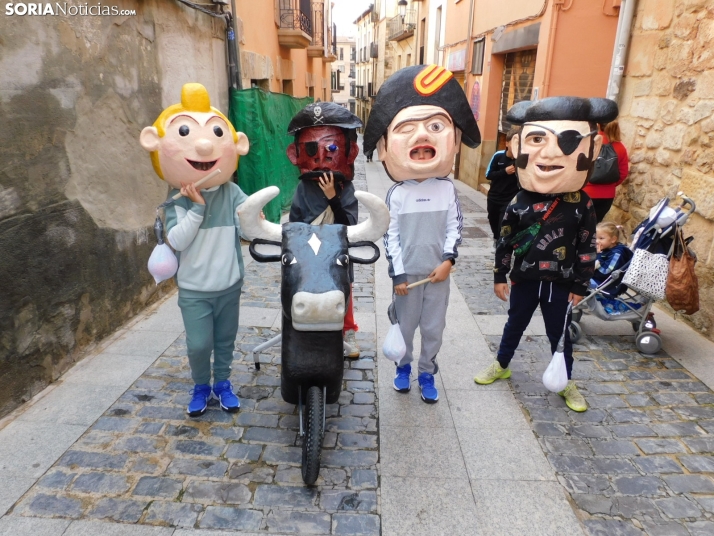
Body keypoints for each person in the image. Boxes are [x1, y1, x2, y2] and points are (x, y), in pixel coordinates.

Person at [473, 96, 619, 413]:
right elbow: (505, 240)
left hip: (561, 284)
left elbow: (586, 245)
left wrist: (580, 287)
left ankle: (565, 381)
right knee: (515, 324)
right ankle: (501, 364)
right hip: (525, 279)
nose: (551, 153)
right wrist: (500, 275)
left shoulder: (581, 203)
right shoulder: (519, 200)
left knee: (559, 334)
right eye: (538, 140)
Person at [363, 64, 481, 403]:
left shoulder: (446, 190)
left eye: (435, 126)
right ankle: (403, 367)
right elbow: (391, 236)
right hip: (406, 278)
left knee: (432, 328)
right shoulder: (397, 194)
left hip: (437, 276)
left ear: (454, 140)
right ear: (385, 147)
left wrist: (448, 260)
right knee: (405, 325)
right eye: (407, 128)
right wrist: (397, 274)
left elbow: (454, 228)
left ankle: (427, 372)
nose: (423, 136)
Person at [140, 83, 250, 417]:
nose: (203, 144)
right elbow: (178, 241)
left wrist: (256, 215)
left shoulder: (231, 191)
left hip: (229, 286)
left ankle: (223, 384)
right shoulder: (176, 198)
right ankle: (201, 386)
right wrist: (197, 207)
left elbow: (248, 227)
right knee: (199, 343)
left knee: (225, 341)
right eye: (186, 133)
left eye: (215, 134)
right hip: (194, 290)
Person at [286, 102, 363, 357]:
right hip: (308, 255)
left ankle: (347, 329)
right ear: (295, 153)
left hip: (336, 253)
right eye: (311, 148)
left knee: (342, 288)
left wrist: (333, 197)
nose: (320, 156)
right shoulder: (303, 189)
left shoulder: (346, 190)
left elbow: (348, 226)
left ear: (348, 152)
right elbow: (295, 225)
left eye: (331, 147)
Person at [583, 120, 629, 222]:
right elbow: (623, 173)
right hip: (607, 195)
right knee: (595, 225)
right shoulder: (620, 147)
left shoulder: (589, 142)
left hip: (586, 192)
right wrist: (610, 184)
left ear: (598, 125)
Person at [591, 221, 634, 314]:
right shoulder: (606, 249)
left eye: (601, 238)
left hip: (608, 285)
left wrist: (598, 256)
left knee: (578, 279)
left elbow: (605, 272)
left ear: (613, 239)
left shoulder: (617, 253)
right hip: (600, 280)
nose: (597, 241)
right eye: (596, 238)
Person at [485, 128, 520, 243]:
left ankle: (501, 248)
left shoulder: (522, 159)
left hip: (510, 199)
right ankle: (496, 239)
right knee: (492, 220)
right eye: (515, 143)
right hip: (494, 196)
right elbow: (488, 175)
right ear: (507, 143)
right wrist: (504, 172)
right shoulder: (498, 156)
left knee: (503, 224)